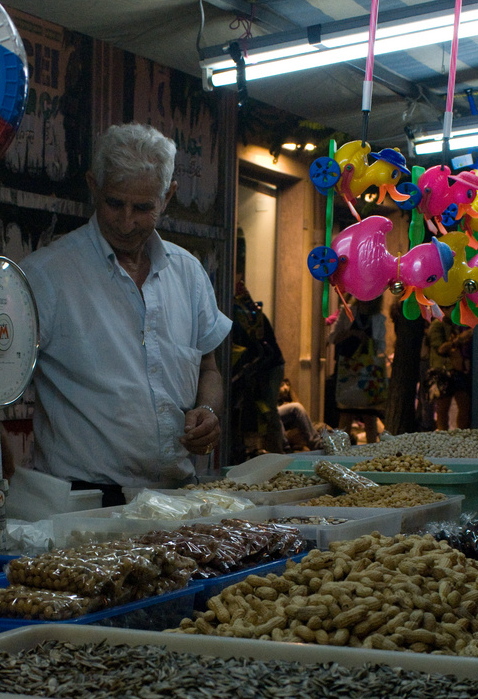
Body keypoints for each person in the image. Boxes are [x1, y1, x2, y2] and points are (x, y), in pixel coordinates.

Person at [20, 122, 231, 506]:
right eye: (115, 203)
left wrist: (207, 410)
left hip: (177, 497)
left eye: (143, 208)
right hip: (83, 502)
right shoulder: (46, 276)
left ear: (168, 197)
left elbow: (208, 369)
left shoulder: (188, 273)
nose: (127, 221)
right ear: (93, 187)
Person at [230, 279, 286, 459]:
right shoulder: (244, 310)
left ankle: (277, 455)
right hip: (259, 364)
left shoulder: (244, 313)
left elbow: (261, 349)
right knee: (258, 411)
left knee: (267, 411)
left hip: (268, 366)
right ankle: (268, 453)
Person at [331, 296, 388, 444]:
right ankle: (341, 449)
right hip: (348, 367)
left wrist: (370, 342)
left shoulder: (378, 318)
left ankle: (371, 452)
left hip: (367, 370)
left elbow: (381, 347)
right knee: (346, 411)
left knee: (369, 414)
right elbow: (333, 337)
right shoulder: (348, 312)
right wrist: (352, 333)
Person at [423, 317, 472, 430]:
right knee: (443, 408)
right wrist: (459, 339)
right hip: (443, 371)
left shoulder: (455, 324)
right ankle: (443, 434)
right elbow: (441, 348)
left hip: (456, 370)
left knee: (464, 405)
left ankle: (462, 434)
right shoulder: (437, 325)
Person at [277, 378, 324, 450]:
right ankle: (316, 444)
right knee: (297, 407)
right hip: (272, 413)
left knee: (321, 426)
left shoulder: (289, 399)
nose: (286, 388)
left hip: (290, 425)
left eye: (288, 385)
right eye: (282, 385)